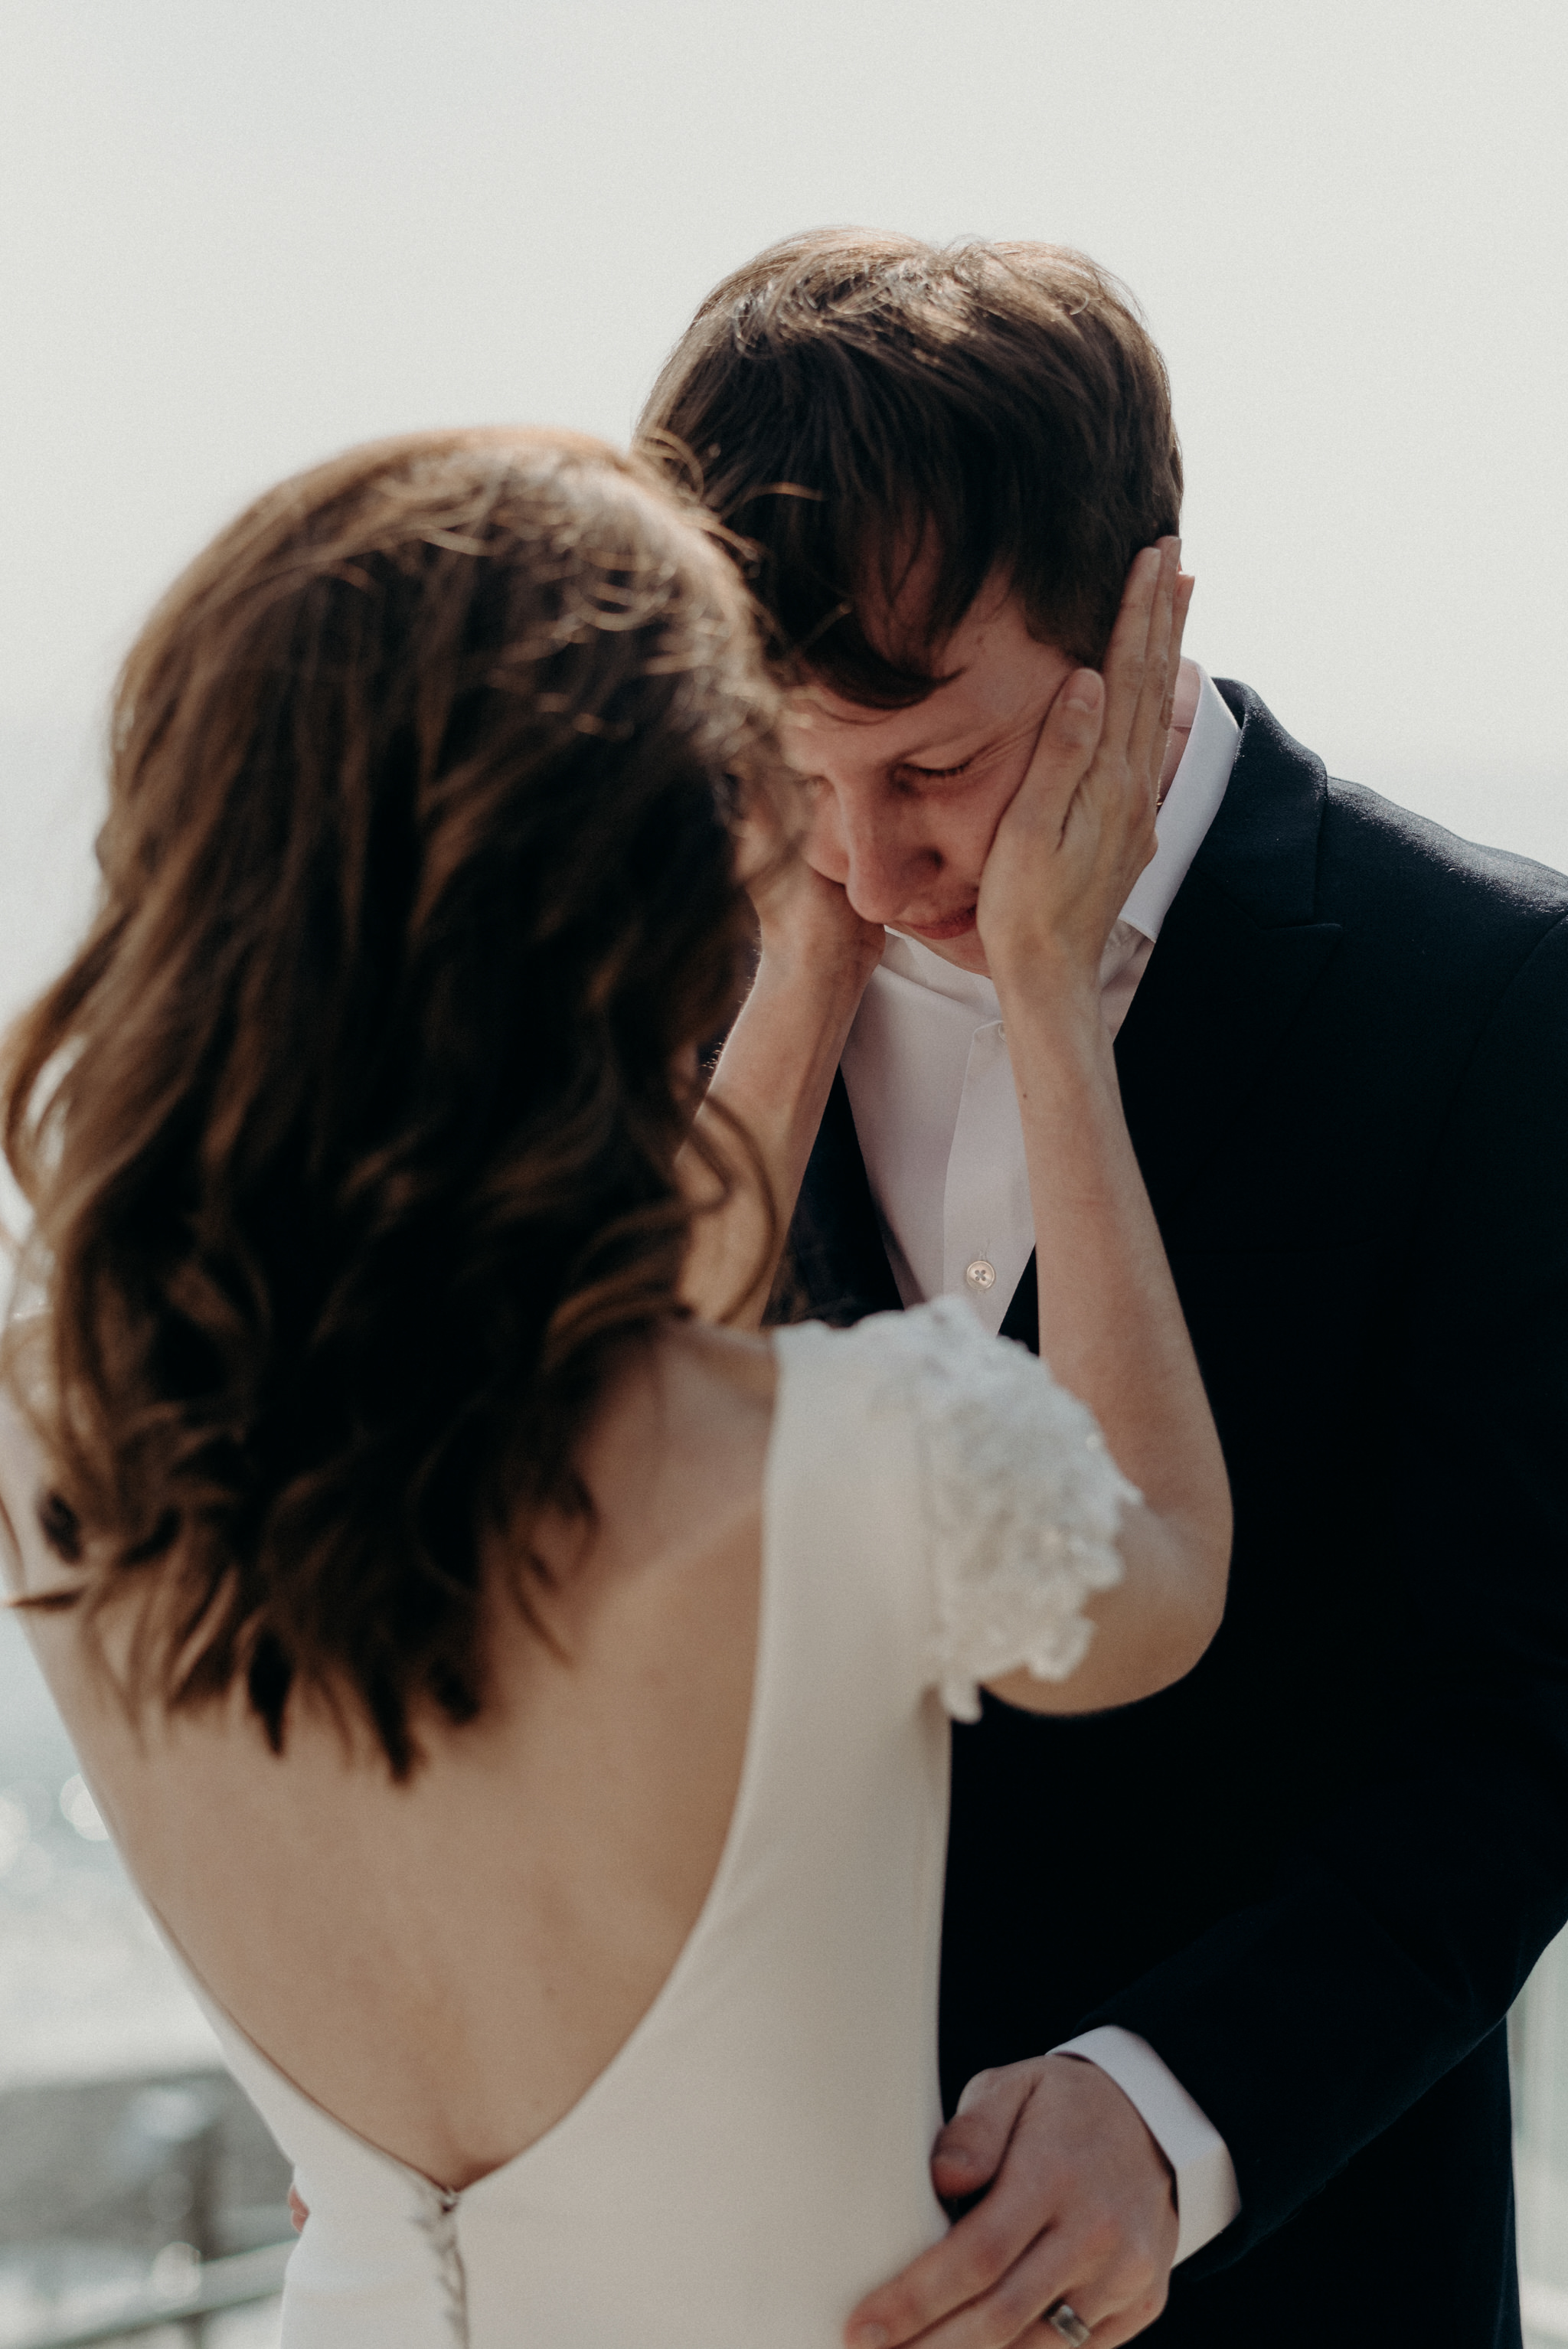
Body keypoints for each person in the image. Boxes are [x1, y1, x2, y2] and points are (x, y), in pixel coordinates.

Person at [0, 427, 1229, 2347]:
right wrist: (1048, 992)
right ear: (670, 897)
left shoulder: (52, 1431)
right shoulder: (859, 1467)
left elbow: (571, 1329)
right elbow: (1153, 1561)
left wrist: (807, 941)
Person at [637, 231, 1568, 2347]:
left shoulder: (1492, 999)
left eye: (935, 769)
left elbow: (1527, 1714)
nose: (869, 863)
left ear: (1143, 620)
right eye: (796, 775)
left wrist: (1175, 2109)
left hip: (1292, 2276)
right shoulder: (677, 976)